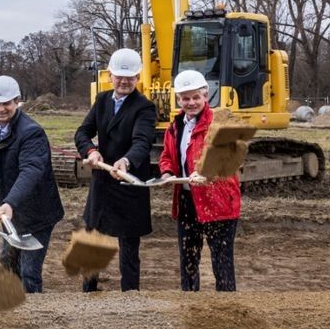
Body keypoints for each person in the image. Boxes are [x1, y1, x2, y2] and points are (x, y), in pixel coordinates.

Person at [0, 75, 64, 293]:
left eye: (6, 103)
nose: (1, 109)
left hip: (35, 213)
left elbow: (31, 171)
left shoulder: (31, 132)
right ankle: (14, 310)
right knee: (8, 263)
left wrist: (10, 202)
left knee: (29, 270)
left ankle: (33, 317)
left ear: (17, 101)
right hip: (9, 211)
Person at [73, 48, 158, 292]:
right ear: (110, 75)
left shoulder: (145, 107)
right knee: (92, 239)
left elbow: (142, 141)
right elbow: (82, 132)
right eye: (119, 76)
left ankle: (129, 296)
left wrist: (126, 162)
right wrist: (90, 151)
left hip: (128, 183)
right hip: (102, 182)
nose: (124, 81)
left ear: (138, 77)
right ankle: (89, 291)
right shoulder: (101, 100)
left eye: (130, 77)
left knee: (129, 248)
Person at [158, 70, 241, 291]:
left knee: (222, 262)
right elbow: (167, 156)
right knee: (188, 261)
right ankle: (191, 306)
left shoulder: (220, 123)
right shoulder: (175, 127)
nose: (191, 102)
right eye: (186, 98)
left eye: (196, 97)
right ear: (178, 100)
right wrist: (167, 173)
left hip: (218, 201)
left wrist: (208, 172)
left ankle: (227, 310)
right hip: (187, 201)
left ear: (206, 96)